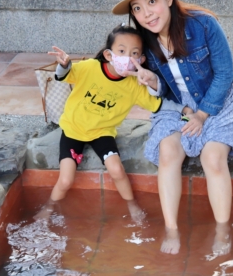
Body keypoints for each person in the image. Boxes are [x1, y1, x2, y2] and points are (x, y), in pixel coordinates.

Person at [113, 0, 233, 256]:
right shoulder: (144, 41)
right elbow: (165, 91)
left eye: (152, 2)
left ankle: (222, 229)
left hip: (215, 100)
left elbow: (225, 74)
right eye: (137, 8)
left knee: (212, 157)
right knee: (169, 153)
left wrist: (201, 116)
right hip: (178, 104)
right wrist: (153, 82)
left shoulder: (204, 25)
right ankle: (171, 228)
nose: (146, 13)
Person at [44, 25, 166, 222]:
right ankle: (48, 208)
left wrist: (152, 82)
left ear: (141, 60)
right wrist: (65, 64)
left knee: (117, 170)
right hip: (73, 130)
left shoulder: (134, 85)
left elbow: (157, 104)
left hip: (103, 132)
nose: (128, 57)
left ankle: (132, 205)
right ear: (109, 55)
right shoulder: (90, 67)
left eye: (134, 53)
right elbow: (63, 75)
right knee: (65, 179)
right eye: (122, 51)